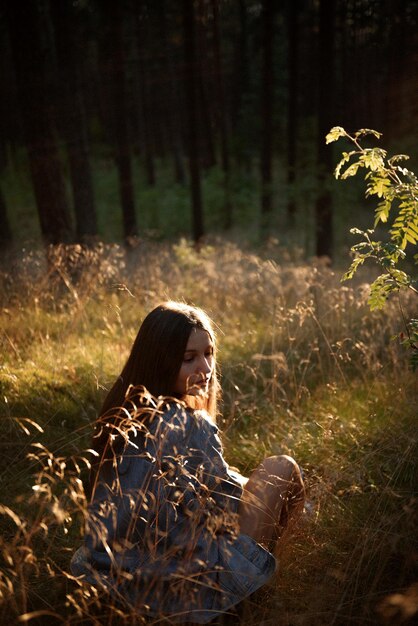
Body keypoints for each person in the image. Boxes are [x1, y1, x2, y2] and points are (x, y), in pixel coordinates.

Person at [71, 301, 305, 623]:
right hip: (185, 593)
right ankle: (263, 592)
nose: (206, 369)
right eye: (188, 358)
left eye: (208, 353)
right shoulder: (188, 422)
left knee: (241, 478)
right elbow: (225, 512)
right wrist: (258, 492)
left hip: (113, 583)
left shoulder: (121, 415)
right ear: (160, 362)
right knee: (281, 468)